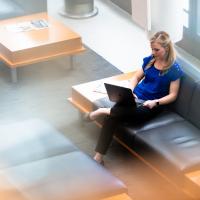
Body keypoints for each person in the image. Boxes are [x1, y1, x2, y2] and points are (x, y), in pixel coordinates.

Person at [84, 31, 183, 165]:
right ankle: (98, 157)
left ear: (166, 48)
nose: (153, 52)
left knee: (114, 115)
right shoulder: (150, 60)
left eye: (156, 49)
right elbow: (136, 77)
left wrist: (156, 101)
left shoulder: (174, 69)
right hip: (136, 97)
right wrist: (130, 90)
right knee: (112, 117)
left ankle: (101, 111)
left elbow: (173, 95)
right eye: (152, 49)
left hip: (151, 105)